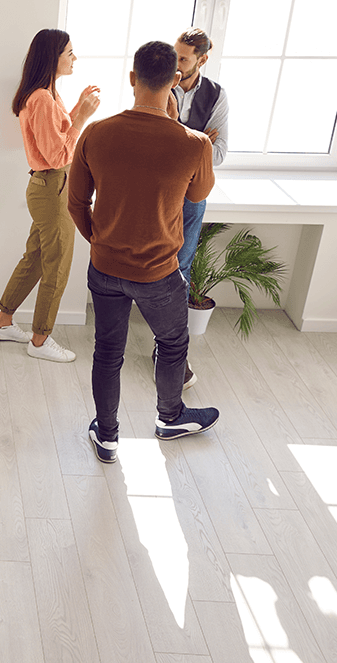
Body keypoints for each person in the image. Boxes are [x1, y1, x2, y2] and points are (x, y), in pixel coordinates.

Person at [67, 41, 219, 464]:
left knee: (107, 351)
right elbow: (199, 193)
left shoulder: (96, 133)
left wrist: (99, 242)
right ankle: (170, 418)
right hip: (158, 274)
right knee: (172, 343)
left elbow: (76, 203)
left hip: (105, 267)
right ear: (174, 82)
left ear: (132, 79)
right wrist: (175, 124)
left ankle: (108, 436)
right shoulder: (194, 143)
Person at [0, 28, 100, 362]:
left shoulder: (47, 95)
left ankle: (3, 322)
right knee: (57, 265)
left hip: (51, 186)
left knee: (36, 258)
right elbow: (56, 155)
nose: (74, 58)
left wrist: (77, 108)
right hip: (53, 187)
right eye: (69, 52)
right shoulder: (41, 98)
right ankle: (39, 341)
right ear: (52, 57)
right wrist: (81, 117)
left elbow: (56, 135)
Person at [156, 28, 230, 389]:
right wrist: (197, 139)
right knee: (150, 263)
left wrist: (176, 134)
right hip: (157, 192)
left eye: (183, 58)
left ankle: (167, 351)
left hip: (192, 197)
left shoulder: (217, 96)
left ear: (202, 60)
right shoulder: (158, 84)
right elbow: (151, 141)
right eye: (175, 55)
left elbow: (218, 154)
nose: (176, 64)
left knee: (181, 269)